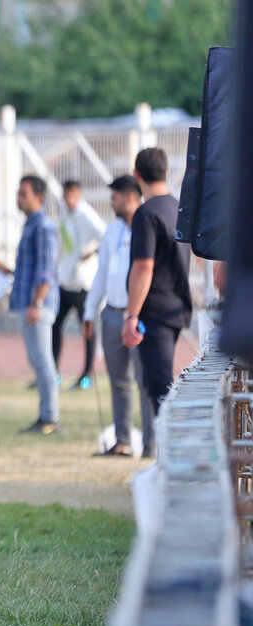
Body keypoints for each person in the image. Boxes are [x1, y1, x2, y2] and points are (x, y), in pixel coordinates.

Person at [83, 176, 154, 457]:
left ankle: (151, 444)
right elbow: (101, 274)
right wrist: (90, 312)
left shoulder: (146, 226)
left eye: (115, 196)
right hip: (111, 313)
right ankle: (122, 441)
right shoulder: (112, 231)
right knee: (118, 382)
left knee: (145, 381)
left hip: (138, 316)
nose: (111, 201)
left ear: (129, 197)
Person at [121, 147, 192, 425]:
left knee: (160, 389)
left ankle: (170, 459)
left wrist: (131, 315)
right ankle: (168, 455)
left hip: (155, 312)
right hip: (177, 307)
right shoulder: (179, 208)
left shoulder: (146, 213)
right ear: (165, 172)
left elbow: (143, 266)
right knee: (162, 385)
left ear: (137, 175)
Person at [11, 175, 61, 434]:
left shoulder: (43, 225)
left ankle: (50, 417)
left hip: (37, 305)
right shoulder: (31, 224)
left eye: (23, 194)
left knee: (43, 361)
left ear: (38, 197)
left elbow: (46, 270)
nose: (18, 199)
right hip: (29, 303)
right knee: (38, 361)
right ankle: (46, 414)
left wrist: (37, 302)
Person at [53, 180, 105, 390]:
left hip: (83, 282)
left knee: (87, 327)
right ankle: (54, 372)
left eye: (72, 196)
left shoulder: (87, 215)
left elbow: (104, 234)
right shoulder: (65, 214)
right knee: (56, 324)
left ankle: (86, 376)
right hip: (65, 278)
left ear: (79, 195)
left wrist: (91, 252)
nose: (69, 200)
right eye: (66, 196)